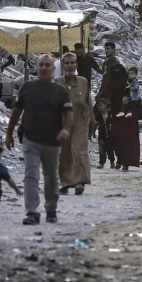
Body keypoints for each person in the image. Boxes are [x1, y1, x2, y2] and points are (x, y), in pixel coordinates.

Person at [6, 54, 73, 226]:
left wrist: (66, 129)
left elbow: (68, 113)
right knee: (31, 175)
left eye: (47, 65)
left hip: (52, 141)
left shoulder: (60, 91)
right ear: (37, 66)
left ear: (53, 69)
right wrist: (9, 133)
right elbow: (16, 112)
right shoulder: (27, 88)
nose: (43, 68)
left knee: (51, 177)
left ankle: (51, 208)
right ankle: (32, 212)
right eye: (41, 65)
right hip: (30, 139)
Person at [56, 53, 94, 196]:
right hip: (63, 121)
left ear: (76, 65)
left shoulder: (83, 82)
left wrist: (93, 122)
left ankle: (80, 181)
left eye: (72, 63)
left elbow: (88, 102)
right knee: (64, 153)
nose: (70, 65)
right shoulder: (57, 83)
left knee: (79, 149)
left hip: (80, 120)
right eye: (67, 63)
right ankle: (66, 183)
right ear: (63, 66)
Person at [113, 95, 141, 172]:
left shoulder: (134, 104)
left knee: (127, 146)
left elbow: (139, 115)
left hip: (129, 128)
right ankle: (119, 161)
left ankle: (125, 164)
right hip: (119, 127)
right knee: (118, 145)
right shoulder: (118, 103)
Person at [93, 98, 114, 169]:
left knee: (110, 149)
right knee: (101, 150)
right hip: (102, 135)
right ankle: (101, 163)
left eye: (100, 105)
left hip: (110, 135)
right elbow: (96, 125)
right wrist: (93, 132)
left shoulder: (111, 114)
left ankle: (112, 162)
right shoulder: (98, 116)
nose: (99, 107)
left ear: (105, 105)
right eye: (97, 106)